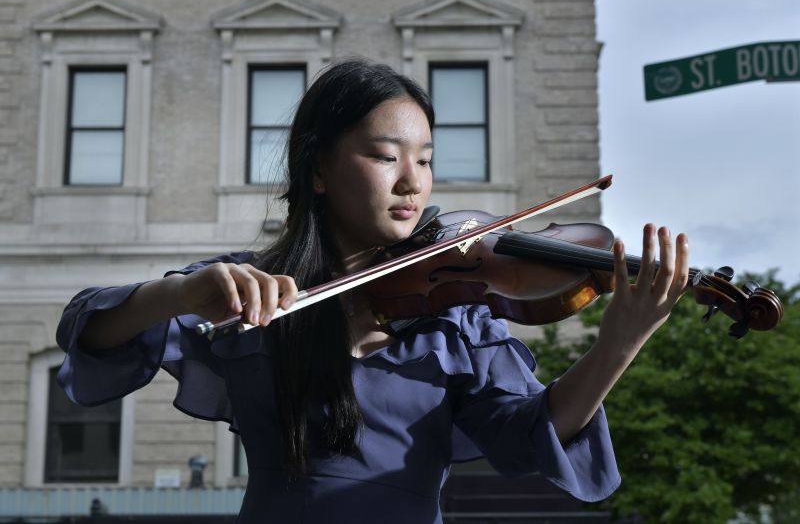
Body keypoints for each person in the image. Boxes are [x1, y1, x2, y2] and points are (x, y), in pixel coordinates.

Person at [56, 59, 689, 523]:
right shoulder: (248, 290)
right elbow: (92, 330)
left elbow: (527, 436)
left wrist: (618, 345)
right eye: (387, 157)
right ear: (320, 170)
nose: (414, 183)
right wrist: (177, 295)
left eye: (427, 158)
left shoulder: (458, 319)